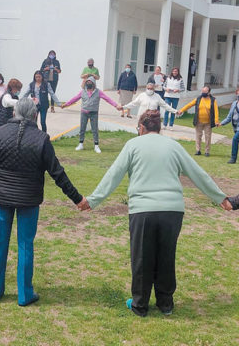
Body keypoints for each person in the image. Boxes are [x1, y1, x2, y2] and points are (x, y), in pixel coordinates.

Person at [78, 110, 227, 317]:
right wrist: (221, 199)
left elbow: (114, 174)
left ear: (141, 128)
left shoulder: (132, 145)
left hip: (143, 210)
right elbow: (197, 173)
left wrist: (92, 201)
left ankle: (140, 305)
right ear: (159, 128)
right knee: (166, 256)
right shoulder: (174, 146)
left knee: (142, 257)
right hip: (172, 210)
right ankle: (165, 304)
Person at [0, 98, 84, 306]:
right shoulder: (41, 139)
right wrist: (77, 199)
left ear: (14, 113)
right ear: (35, 115)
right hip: (29, 200)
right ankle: (25, 294)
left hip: (2, 198)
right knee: (26, 245)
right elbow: (58, 174)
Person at [62, 76, 118, 154]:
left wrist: (116, 105)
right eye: (87, 83)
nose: (88, 84)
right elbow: (75, 98)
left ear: (94, 83)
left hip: (94, 113)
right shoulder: (82, 92)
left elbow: (108, 99)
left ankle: (96, 146)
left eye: (90, 82)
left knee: (94, 129)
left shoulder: (98, 92)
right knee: (82, 128)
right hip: (84, 112)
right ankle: (81, 144)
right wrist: (66, 104)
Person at [177, 86, 219, 157]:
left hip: (208, 122)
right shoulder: (198, 99)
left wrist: (216, 121)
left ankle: (207, 151)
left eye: (205, 92)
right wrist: (181, 110)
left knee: (208, 137)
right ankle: (198, 150)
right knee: (198, 136)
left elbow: (216, 111)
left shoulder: (213, 100)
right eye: (202, 91)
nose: (203, 93)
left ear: (209, 92)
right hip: (198, 121)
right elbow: (189, 105)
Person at [218, 89, 239, 163]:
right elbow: (229, 117)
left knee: (235, 139)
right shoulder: (234, 104)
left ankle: (233, 158)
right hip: (236, 127)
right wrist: (221, 123)